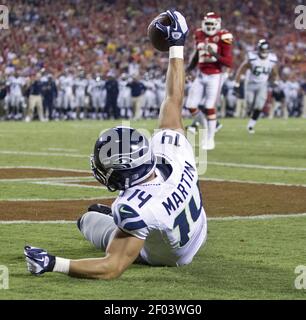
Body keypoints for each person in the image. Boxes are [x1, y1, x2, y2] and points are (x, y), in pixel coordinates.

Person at [24, 9, 207, 280]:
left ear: (122, 173)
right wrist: (177, 47)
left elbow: (112, 267)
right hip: (198, 229)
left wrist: (53, 263)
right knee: (117, 216)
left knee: (88, 220)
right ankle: (120, 223)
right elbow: (173, 98)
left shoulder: (132, 207)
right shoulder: (174, 150)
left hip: (169, 257)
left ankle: (112, 225)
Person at [185, 12, 233, 150]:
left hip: (215, 75)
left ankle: (210, 139)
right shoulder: (199, 34)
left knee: (209, 106)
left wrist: (214, 54)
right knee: (191, 105)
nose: (210, 26)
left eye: (212, 24)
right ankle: (206, 127)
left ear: (218, 24)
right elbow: (196, 55)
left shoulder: (224, 36)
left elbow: (228, 62)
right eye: (208, 24)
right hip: (201, 74)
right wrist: (189, 69)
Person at [234, 39, 279, 134]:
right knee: (249, 103)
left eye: (266, 50)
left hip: (263, 84)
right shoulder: (252, 58)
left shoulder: (271, 59)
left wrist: (276, 79)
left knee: (259, 105)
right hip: (250, 83)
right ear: (258, 49)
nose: (264, 52)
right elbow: (241, 69)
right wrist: (237, 83)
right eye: (262, 50)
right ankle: (248, 112)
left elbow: (274, 71)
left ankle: (251, 125)